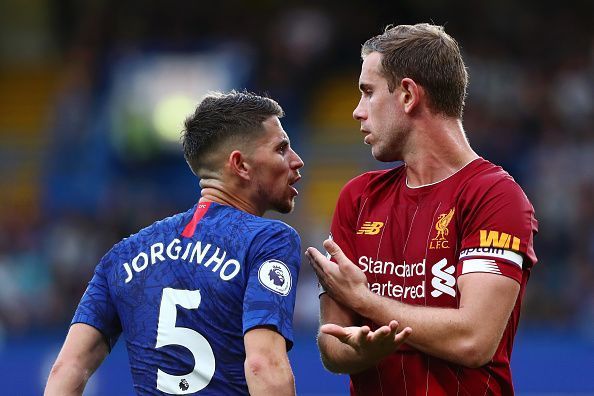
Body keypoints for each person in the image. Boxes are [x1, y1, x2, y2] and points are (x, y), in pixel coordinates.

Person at [306, 23, 538, 395]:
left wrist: (366, 302)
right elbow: (332, 346)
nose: (356, 112)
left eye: (368, 93)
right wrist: (362, 351)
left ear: (408, 95)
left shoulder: (495, 196)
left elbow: (473, 340)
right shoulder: (358, 197)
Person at [45, 91, 305, 395]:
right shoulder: (268, 240)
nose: (296, 161)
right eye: (281, 149)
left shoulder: (122, 256)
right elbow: (263, 365)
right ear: (241, 165)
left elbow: (67, 368)